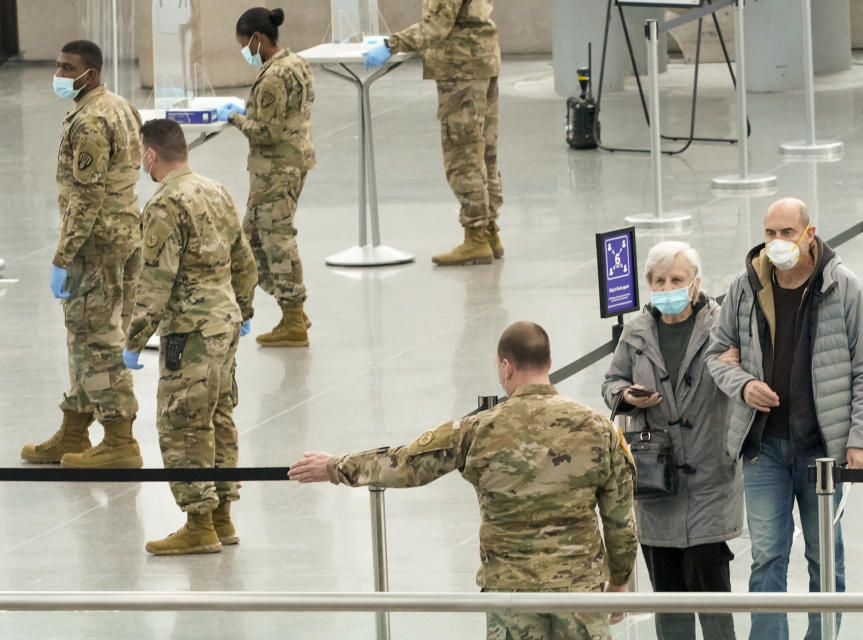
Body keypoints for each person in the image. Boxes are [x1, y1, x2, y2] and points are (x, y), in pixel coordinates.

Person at [289, 321, 637, 639]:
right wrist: (620, 581)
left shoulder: (478, 430)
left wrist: (335, 467)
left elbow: (406, 463)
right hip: (579, 591)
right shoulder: (599, 429)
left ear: (506, 366)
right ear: (549, 361)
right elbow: (620, 519)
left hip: (511, 593)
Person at [704, 197, 863, 640]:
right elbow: (716, 353)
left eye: (787, 232)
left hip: (822, 450)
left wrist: (861, 437)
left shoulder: (843, 286)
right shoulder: (744, 288)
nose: (777, 242)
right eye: (770, 233)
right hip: (763, 447)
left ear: (809, 234)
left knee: (825, 557)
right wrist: (743, 384)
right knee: (767, 556)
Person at [123, 118, 257, 555]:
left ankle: (199, 523)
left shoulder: (164, 205)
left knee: (184, 424)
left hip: (190, 334)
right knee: (219, 419)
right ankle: (223, 517)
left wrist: (134, 339)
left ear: (150, 156)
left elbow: (155, 281)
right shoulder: (216, 190)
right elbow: (243, 258)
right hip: (225, 324)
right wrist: (245, 308)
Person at [602, 241, 742, 640]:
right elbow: (611, 382)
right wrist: (626, 395)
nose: (667, 287)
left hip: (710, 480)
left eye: (676, 279)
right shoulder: (636, 331)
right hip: (655, 484)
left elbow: (745, 374)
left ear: (695, 283)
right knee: (668, 600)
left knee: (713, 599)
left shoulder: (722, 326)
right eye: (658, 280)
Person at [21, 40, 144, 469]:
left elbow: (86, 197)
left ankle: (120, 438)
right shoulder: (120, 105)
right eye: (57, 65)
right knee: (85, 339)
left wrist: (62, 256)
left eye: (65, 67)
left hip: (96, 244)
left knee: (98, 342)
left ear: (87, 74)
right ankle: (75, 427)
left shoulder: (90, 120)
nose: (57, 74)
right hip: (125, 233)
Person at [362, 0, 504, 266]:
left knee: (463, 157)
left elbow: (436, 26)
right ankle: (489, 231)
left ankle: (476, 238)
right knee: (485, 153)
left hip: (461, 70)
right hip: (482, 61)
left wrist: (391, 44)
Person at [219, 7, 316, 347]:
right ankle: (291, 308)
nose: (244, 51)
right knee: (251, 242)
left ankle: (293, 318)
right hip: (286, 166)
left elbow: (267, 131)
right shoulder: (294, 63)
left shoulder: (274, 76)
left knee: (277, 242)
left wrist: (234, 118)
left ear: (258, 39)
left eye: (244, 44)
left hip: (276, 170)